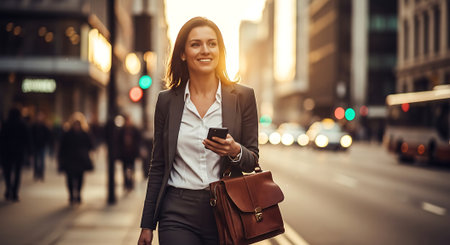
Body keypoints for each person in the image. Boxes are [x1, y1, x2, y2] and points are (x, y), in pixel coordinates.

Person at [138, 17, 259, 245]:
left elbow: (252, 160)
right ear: (183, 53)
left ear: (220, 50)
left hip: (227, 209)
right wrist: (147, 224)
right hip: (176, 210)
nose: (205, 50)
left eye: (212, 44)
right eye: (196, 44)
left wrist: (234, 150)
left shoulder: (243, 97)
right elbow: (158, 165)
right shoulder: (167, 101)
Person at [58, 112, 94, 205]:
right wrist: (60, 158)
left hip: (80, 160)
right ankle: (71, 195)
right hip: (69, 159)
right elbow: (62, 146)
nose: (76, 126)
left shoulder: (85, 134)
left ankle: (78, 194)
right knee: (69, 178)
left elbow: (90, 145)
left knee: (80, 177)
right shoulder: (67, 134)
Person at [0, 107, 31, 202]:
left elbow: (1, 139)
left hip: (6, 152)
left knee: (7, 172)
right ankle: (14, 193)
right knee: (17, 173)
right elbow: (27, 139)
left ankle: (8, 189)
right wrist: (29, 152)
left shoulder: (6, 124)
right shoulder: (22, 125)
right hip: (18, 152)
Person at [118, 115, 141, 191]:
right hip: (124, 153)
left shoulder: (134, 129)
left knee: (132, 169)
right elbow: (118, 142)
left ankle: (131, 183)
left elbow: (138, 141)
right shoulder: (122, 130)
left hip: (132, 153)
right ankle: (126, 183)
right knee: (124, 169)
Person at [31, 111, 51, 181]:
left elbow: (48, 135)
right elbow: (31, 136)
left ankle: (41, 173)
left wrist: (47, 143)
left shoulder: (44, 126)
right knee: (36, 161)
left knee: (42, 160)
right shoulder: (34, 126)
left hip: (42, 145)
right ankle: (36, 173)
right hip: (35, 145)